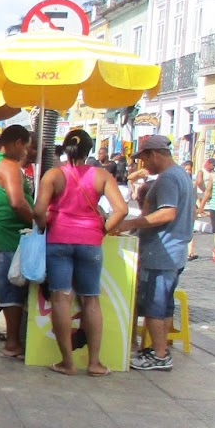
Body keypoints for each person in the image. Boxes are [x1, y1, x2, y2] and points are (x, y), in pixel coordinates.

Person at [32, 129, 127, 377]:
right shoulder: (102, 175)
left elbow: (38, 210)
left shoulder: (53, 175)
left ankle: (67, 362)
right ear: (89, 151)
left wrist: (45, 226)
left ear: (65, 149)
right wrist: (101, 230)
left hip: (59, 240)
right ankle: (95, 363)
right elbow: (121, 209)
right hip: (90, 243)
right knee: (90, 299)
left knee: (61, 298)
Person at [118, 135, 194, 372]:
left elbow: (167, 213)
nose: (143, 166)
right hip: (174, 250)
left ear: (154, 154)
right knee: (164, 305)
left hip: (162, 252)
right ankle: (159, 350)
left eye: (144, 159)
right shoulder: (180, 174)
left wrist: (132, 224)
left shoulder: (168, 179)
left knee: (155, 306)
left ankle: (160, 355)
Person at [0, 126, 35, 359]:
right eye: (25, 147)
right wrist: (38, 221)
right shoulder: (9, 166)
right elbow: (17, 202)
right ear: (16, 143)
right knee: (11, 292)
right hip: (8, 235)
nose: (26, 152)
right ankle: (13, 342)